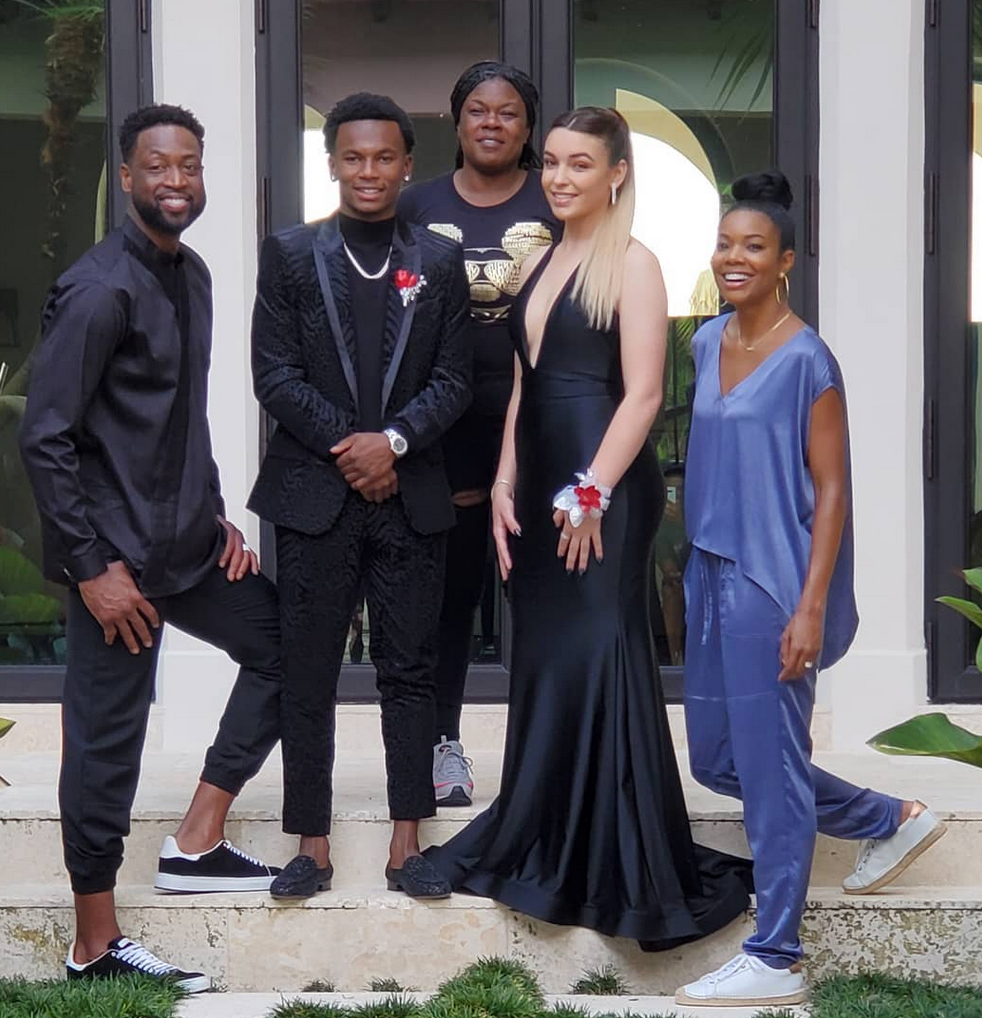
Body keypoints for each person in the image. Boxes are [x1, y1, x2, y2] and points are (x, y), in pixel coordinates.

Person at [424, 107, 753, 946]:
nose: (560, 177)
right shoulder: (541, 258)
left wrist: (591, 492)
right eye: (552, 163)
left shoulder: (634, 264)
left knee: (597, 649)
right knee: (546, 656)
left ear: (615, 174)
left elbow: (642, 395)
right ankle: (545, 823)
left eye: (579, 164)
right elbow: (523, 385)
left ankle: (611, 853)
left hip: (599, 485)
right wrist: (504, 481)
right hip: (539, 481)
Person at [19, 104, 284, 993]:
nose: (177, 180)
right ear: (127, 177)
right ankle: (93, 945)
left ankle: (198, 839)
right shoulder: (100, 290)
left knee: (289, 645)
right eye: (159, 166)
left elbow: (178, 422)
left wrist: (216, 517)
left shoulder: (192, 275)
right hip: (116, 566)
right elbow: (45, 439)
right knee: (106, 745)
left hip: (187, 547)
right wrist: (91, 569)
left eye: (190, 165)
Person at [676, 171, 945, 1008]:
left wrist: (810, 605)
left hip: (772, 582)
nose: (734, 258)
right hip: (707, 570)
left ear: (784, 261)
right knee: (719, 760)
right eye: (725, 244)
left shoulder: (806, 359)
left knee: (770, 767)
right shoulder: (704, 342)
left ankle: (776, 954)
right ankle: (886, 819)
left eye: (753, 246)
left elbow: (831, 490)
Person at [249, 93, 471, 901]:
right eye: (353, 157)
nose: (367, 171)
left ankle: (407, 845)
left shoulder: (438, 263)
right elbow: (273, 374)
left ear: (407, 166)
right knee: (307, 673)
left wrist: (395, 443)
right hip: (317, 497)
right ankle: (310, 844)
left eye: (383, 158)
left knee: (409, 671)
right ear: (332, 163)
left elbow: (454, 378)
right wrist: (355, 448)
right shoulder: (288, 255)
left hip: (411, 498)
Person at [397, 61, 559, 807]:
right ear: (457, 121)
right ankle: (443, 745)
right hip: (446, 427)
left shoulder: (555, 200)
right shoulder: (416, 205)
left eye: (508, 112)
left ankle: (549, 751)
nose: (492, 123)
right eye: (478, 111)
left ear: (528, 127)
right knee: (452, 594)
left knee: (545, 591)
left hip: (541, 420)